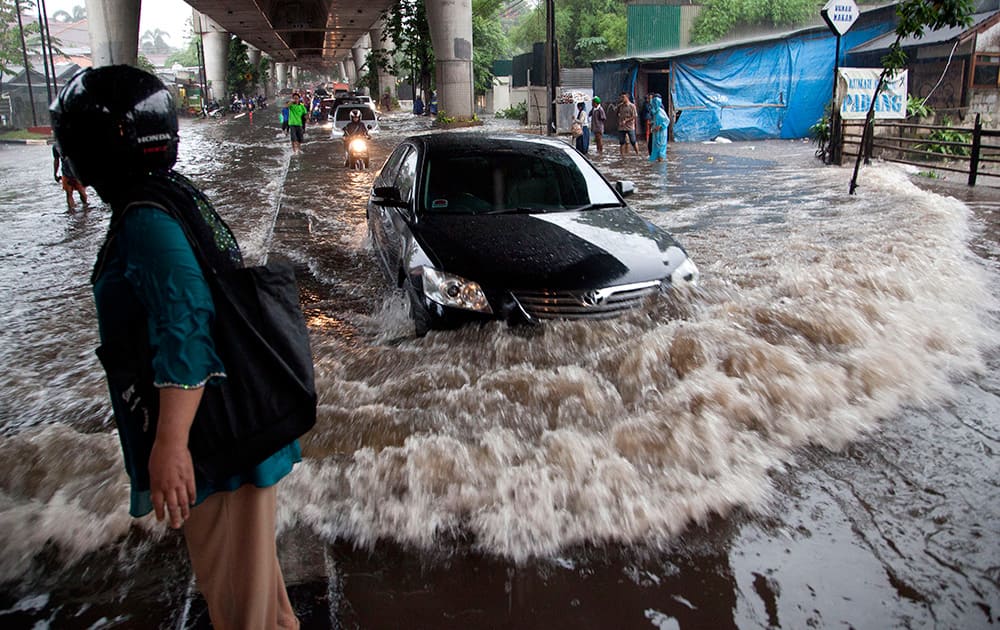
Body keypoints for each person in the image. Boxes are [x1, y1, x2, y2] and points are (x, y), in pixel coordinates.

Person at [50, 65, 301, 630]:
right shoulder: (173, 196)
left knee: (241, 613)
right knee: (264, 607)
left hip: (215, 442)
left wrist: (170, 444)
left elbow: (186, 319)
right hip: (237, 424)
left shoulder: (144, 219)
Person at [52, 144, 88, 210]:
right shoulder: (56, 146)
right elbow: (56, 160)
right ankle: (71, 211)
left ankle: (85, 207)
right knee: (69, 193)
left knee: (82, 192)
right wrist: (55, 173)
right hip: (66, 173)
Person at [648, 93, 670, 163]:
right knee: (655, 148)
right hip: (655, 133)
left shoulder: (660, 111)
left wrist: (660, 126)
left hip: (661, 133)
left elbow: (667, 120)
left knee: (660, 149)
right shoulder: (655, 112)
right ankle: (657, 164)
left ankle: (660, 164)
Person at [617, 92, 639, 156]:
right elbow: (618, 114)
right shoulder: (620, 106)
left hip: (630, 126)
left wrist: (626, 120)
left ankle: (637, 154)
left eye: (623, 97)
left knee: (633, 141)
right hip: (621, 127)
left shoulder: (632, 106)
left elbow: (635, 116)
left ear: (627, 97)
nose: (622, 99)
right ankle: (622, 155)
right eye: (621, 97)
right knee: (621, 142)